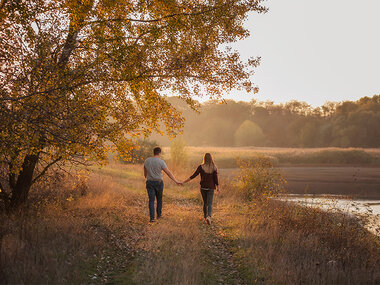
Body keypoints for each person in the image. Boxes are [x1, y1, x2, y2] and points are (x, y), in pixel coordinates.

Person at [144, 146, 181, 223]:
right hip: (158, 182)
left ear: (153, 152)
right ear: (159, 153)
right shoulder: (161, 162)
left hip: (149, 182)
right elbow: (168, 172)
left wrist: (147, 177)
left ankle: (152, 218)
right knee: (159, 199)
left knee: (151, 200)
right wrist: (176, 181)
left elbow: (145, 171)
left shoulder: (147, 160)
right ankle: (159, 215)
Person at [182, 153, 219, 225]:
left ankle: (205, 217)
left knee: (205, 203)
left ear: (204, 158)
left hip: (203, 187)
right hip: (211, 187)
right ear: (211, 158)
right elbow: (215, 179)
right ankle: (209, 216)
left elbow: (194, 175)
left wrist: (184, 181)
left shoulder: (201, 167)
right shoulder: (214, 167)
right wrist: (218, 187)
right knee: (210, 203)